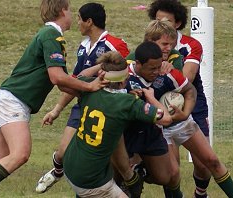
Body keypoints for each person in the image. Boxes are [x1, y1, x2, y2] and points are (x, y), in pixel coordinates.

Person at [0, 0, 107, 197]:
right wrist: (89, 86)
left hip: (7, 99)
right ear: (62, 11)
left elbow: (61, 83)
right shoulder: (52, 35)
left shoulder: (51, 36)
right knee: (20, 154)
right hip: (12, 101)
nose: (72, 16)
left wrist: (87, 92)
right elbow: (57, 77)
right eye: (70, 11)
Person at [35, 2, 139, 195]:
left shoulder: (114, 44)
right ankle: (58, 171)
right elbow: (75, 81)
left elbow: (127, 70)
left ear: (89, 22)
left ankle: (131, 183)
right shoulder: (83, 47)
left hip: (109, 108)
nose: (77, 22)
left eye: (79, 19)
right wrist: (56, 109)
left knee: (106, 161)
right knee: (63, 152)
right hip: (84, 106)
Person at [148, 0, 233, 197]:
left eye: (167, 21)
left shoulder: (190, 45)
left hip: (192, 104)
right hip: (161, 109)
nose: (161, 24)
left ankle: (200, 193)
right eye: (157, 20)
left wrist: (170, 68)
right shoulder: (150, 48)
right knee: (172, 172)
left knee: (205, 164)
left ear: (178, 23)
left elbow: (187, 78)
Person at [63, 51, 174, 198]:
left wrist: (91, 83)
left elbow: (63, 83)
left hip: (70, 165)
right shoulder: (128, 104)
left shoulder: (89, 88)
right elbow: (166, 119)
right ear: (124, 80)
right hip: (92, 180)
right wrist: (150, 97)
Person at [123, 41, 197, 198]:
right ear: (138, 64)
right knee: (119, 182)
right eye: (152, 68)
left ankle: (141, 170)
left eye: (159, 66)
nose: (157, 71)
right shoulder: (123, 77)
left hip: (152, 132)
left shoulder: (168, 74)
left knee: (165, 176)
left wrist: (185, 113)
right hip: (125, 133)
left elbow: (190, 90)